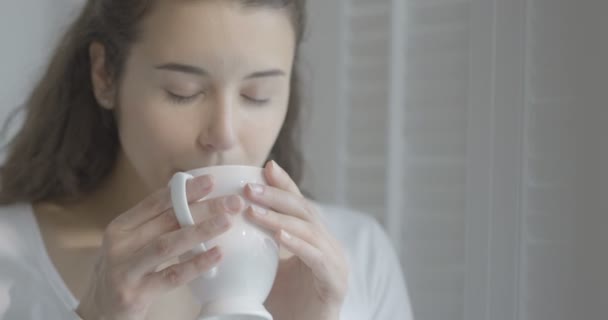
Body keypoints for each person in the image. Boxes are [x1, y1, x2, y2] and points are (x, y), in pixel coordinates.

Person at [0, 0, 412, 319]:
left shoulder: (358, 254)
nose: (223, 133)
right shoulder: (9, 258)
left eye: (257, 96)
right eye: (183, 91)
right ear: (104, 74)